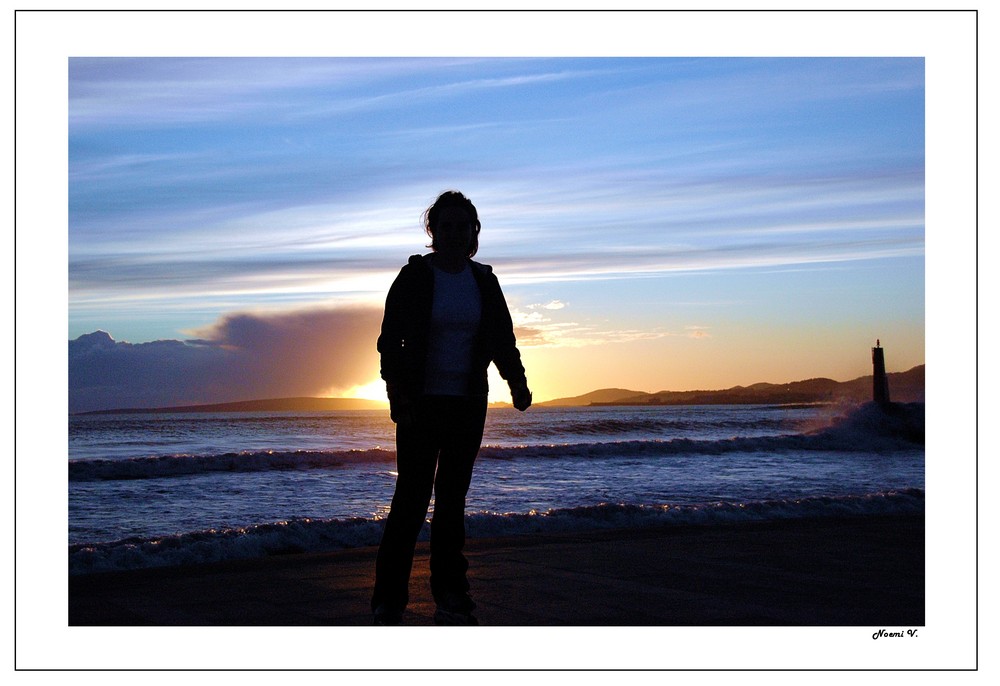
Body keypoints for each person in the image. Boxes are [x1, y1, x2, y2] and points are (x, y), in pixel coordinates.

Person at [371, 190, 532, 625]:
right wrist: (397, 395)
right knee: (410, 500)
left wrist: (516, 382)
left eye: (464, 227)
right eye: (447, 227)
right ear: (433, 232)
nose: (456, 234)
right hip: (420, 405)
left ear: (473, 231)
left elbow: (502, 338)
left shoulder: (483, 280)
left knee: (452, 502)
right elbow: (390, 343)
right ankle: (388, 600)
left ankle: (451, 594)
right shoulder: (415, 277)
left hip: (467, 404)